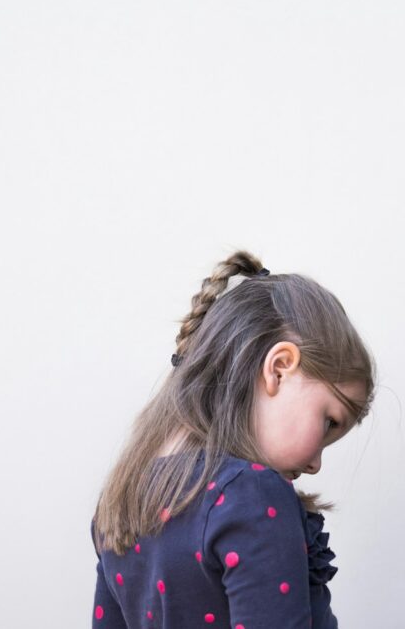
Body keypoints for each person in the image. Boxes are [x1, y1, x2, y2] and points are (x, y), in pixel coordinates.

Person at [90, 250, 375, 628]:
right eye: (328, 424)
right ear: (279, 368)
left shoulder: (122, 497)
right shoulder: (251, 494)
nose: (315, 464)